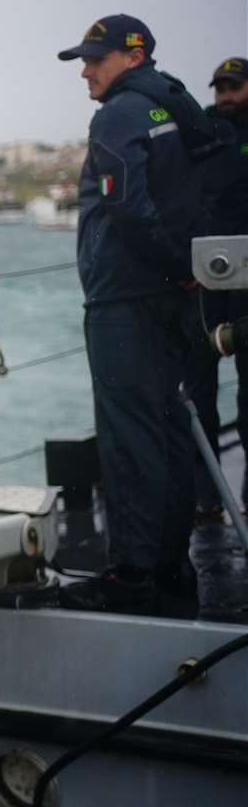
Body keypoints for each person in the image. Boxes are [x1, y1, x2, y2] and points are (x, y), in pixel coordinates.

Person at [56, 14, 215, 614]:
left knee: (130, 438)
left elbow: (124, 206)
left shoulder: (120, 114)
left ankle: (131, 575)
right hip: (174, 297)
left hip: (126, 297)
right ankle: (173, 568)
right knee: (171, 432)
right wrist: (185, 271)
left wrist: (171, 263)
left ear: (133, 55)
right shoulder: (174, 105)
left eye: (95, 59)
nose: (86, 71)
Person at [185, 58, 248, 514]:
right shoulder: (202, 131)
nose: (225, 96)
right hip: (205, 276)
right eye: (220, 88)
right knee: (199, 386)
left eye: (234, 87)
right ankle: (206, 495)